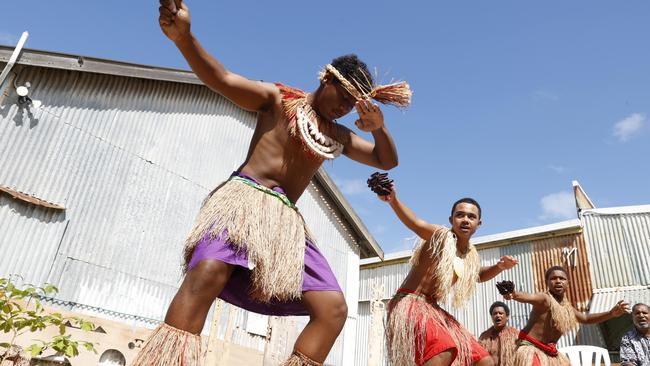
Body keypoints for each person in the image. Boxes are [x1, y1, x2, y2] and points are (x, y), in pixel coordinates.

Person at [133, 1, 412, 365]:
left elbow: (386, 160)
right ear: (326, 79)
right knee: (208, 272)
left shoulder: (337, 134)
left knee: (333, 308)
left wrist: (380, 129)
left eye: (351, 104)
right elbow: (222, 79)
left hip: (285, 222)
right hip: (242, 202)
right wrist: (184, 39)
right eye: (341, 97)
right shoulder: (278, 100)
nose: (343, 108)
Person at [377, 181, 519, 366]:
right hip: (410, 302)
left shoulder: (469, 254)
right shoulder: (441, 236)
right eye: (460, 215)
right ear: (451, 220)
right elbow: (415, 223)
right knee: (444, 348)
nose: (465, 220)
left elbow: (478, 275)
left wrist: (499, 266)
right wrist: (394, 200)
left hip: (433, 308)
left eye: (471, 216)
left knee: (483, 360)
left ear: (478, 223)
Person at [502, 266, 630, 366]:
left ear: (567, 283)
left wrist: (611, 313)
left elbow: (585, 319)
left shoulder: (567, 308)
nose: (558, 281)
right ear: (547, 282)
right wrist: (513, 294)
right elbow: (528, 297)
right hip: (531, 349)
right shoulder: (544, 299)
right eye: (553, 278)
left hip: (550, 352)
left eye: (562, 278)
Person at [479, 301, 519, 366]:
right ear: (491, 317)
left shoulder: (516, 335)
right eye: (495, 313)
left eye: (501, 313)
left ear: (507, 316)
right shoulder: (484, 337)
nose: (498, 315)